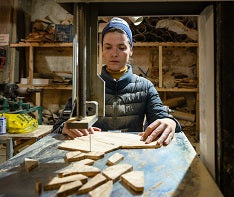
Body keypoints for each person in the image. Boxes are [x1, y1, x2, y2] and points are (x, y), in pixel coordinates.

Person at [53, 17, 181, 146]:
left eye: (121, 47)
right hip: (94, 156)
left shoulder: (145, 87)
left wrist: (171, 123)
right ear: (102, 50)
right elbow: (58, 127)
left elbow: (162, 119)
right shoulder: (86, 85)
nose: (114, 54)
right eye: (108, 47)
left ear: (131, 50)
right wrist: (65, 127)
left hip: (131, 155)